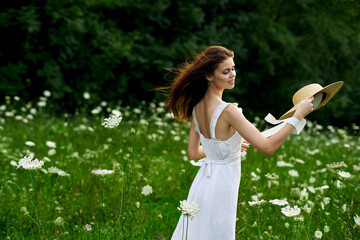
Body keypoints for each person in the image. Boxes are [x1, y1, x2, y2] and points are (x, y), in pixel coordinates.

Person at [164, 46, 314, 240]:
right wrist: (297, 116)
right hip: (222, 185)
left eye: (233, 68)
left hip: (202, 184)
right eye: (225, 71)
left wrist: (227, 148)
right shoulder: (229, 111)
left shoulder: (196, 105)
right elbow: (267, 148)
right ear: (209, 76)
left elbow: (194, 153)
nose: (232, 74)